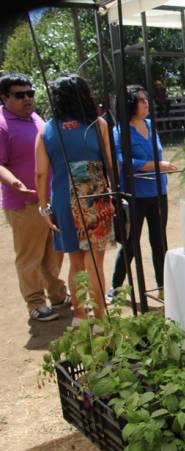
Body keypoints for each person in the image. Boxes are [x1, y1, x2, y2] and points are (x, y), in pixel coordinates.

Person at [35, 74, 114, 320]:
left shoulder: (46, 130)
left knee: (75, 262)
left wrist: (43, 209)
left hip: (62, 200)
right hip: (94, 196)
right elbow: (111, 164)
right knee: (95, 262)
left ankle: (81, 319)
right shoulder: (97, 124)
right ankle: (101, 320)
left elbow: (40, 173)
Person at [0, 73, 69, 322]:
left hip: (50, 198)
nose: (28, 98)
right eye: (20, 95)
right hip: (25, 202)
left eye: (30, 93)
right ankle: (35, 303)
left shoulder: (34, 117)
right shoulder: (2, 124)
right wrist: (15, 184)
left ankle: (58, 294)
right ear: (4, 97)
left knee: (54, 251)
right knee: (30, 255)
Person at [109, 85, 177, 302]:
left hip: (158, 192)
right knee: (130, 243)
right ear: (129, 104)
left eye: (146, 99)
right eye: (140, 100)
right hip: (134, 195)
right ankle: (116, 287)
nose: (146, 102)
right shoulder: (120, 131)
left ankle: (162, 286)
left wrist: (159, 167)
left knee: (159, 242)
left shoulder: (150, 125)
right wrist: (156, 165)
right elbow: (122, 162)